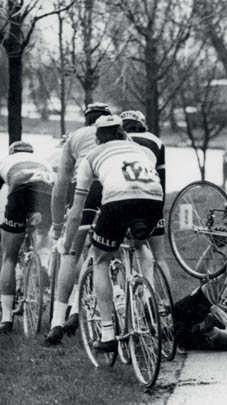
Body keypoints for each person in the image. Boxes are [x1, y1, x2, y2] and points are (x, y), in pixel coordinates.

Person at [59, 115, 165, 353]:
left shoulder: (91, 157)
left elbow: (76, 212)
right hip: (153, 199)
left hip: (118, 200)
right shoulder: (140, 149)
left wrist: (67, 245)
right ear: (123, 133)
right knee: (141, 246)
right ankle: (149, 299)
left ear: (98, 139)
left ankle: (107, 332)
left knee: (100, 259)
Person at [46, 102, 111, 344]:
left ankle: (57, 321)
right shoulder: (118, 135)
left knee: (70, 252)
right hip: (113, 188)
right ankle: (78, 308)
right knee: (102, 253)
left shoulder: (75, 137)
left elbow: (60, 185)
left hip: (83, 190)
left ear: (87, 120)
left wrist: (58, 224)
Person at [0, 142, 55, 333]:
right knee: (41, 231)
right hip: (48, 190)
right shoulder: (42, 162)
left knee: (9, 256)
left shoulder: (6, 161)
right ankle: (42, 262)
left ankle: (6, 318)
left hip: (20, 191)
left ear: (11, 152)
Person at [120, 110, 172, 288]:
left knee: (118, 253)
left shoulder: (118, 140)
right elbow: (162, 178)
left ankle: (123, 298)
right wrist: (159, 210)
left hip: (125, 197)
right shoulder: (156, 141)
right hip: (153, 197)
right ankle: (167, 304)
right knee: (159, 256)